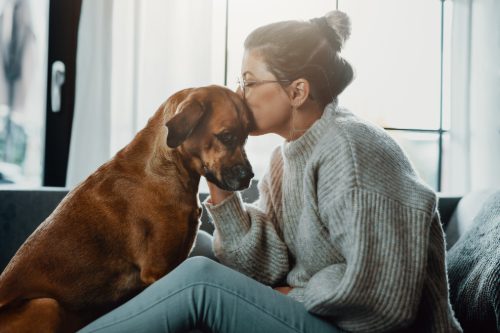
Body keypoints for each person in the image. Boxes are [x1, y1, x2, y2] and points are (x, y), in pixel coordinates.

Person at [80, 10, 462, 333]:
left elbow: (383, 297)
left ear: (297, 92)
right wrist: (219, 174)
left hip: (368, 327)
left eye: (249, 82)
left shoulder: (353, 149)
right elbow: (266, 264)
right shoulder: (287, 157)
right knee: (186, 245)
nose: (238, 95)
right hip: (327, 317)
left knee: (199, 282)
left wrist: (294, 294)